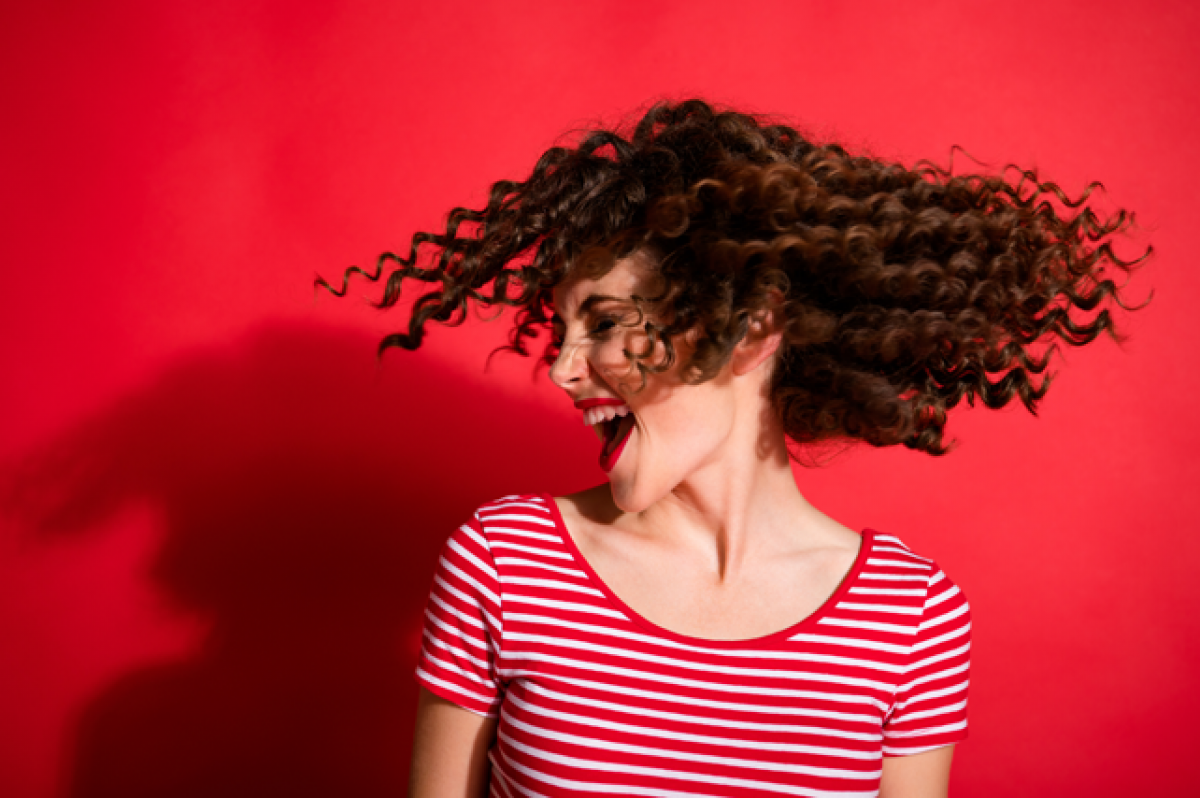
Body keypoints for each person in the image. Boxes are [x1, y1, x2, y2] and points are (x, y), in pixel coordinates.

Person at [321, 100, 1144, 797]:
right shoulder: (505, 565)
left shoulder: (911, 618)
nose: (565, 370)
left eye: (604, 323)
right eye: (562, 329)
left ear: (748, 328)